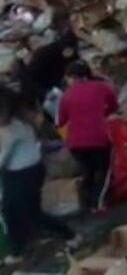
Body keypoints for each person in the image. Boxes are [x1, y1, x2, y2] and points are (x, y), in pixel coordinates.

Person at [0, 87, 77, 267]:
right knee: (10, 211)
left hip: (25, 173)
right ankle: (19, 248)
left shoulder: (13, 128)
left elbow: (3, 157)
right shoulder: (20, 120)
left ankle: (70, 235)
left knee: (31, 213)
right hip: (19, 171)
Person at [58, 62, 118, 214]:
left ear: (71, 77)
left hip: (76, 143)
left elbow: (60, 121)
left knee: (88, 172)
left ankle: (87, 204)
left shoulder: (66, 96)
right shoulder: (101, 87)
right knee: (105, 171)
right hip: (98, 137)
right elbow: (113, 105)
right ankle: (99, 204)